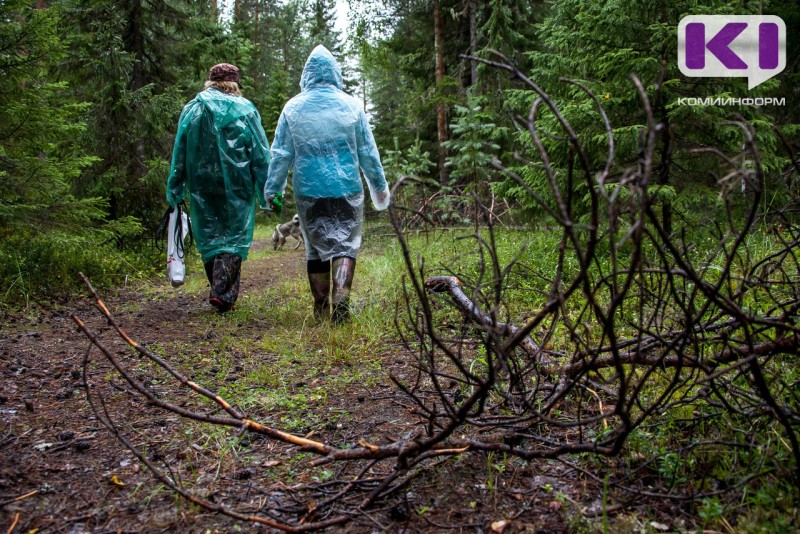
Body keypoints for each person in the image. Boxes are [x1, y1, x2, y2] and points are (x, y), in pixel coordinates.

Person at [264, 45, 390, 323]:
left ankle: (321, 306)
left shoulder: (292, 108)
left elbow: (281, 154)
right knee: (346, 246)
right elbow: (369, 153)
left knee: (315, 249)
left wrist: (271, 190)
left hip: (309, 190)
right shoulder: (352, 106)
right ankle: (341, 297)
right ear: (336, 73)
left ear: (306, 74)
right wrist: (379, 188)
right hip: (347, 189)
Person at [166, 63, 270, 313]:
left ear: (210, 82)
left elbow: (179, 150)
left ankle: (220, 291)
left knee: (210, 234)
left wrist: (175, 185)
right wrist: (267, 188)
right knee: (234, 236)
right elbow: (260, 152)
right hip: (237, 185)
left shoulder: (192, 110)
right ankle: (222, 293)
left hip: (202, 184)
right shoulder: (245, 109)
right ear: (234, 84)